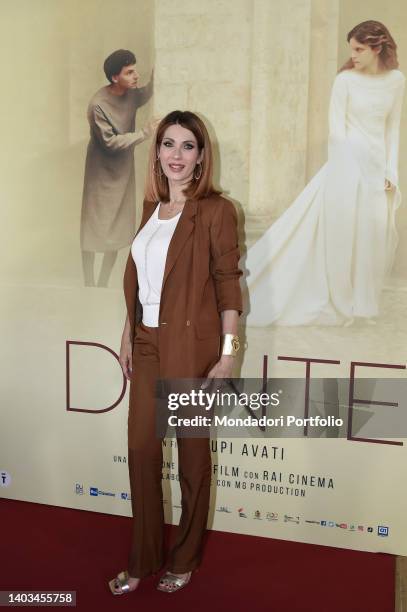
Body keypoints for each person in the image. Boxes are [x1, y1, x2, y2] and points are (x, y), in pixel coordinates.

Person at [108, 111, 243, 594]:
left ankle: (185, 557)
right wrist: (128, 332)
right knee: (142, 451)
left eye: (188, 146)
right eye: (169, 144)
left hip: (192, 349)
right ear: (157, 152)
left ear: (202, 156)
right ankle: (143, 560)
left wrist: (227, 354)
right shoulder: (150, 210)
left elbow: (228, 285)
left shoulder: (216, 211)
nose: (177, 156)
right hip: (146, 344)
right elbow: (142, 283)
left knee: (190, 460)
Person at [244, 21, 405, 326]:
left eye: (359, 49)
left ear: (377, 48)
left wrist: (390, 173)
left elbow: (393, 129)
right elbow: (336, 131)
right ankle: (343, 305)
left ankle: (364, 307)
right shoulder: (344, 80)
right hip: (345, 168)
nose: (353, 55)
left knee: (371, 238)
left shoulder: (397, 81)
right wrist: (349, 171)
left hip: (377, 173)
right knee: (343, 237)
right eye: (351, 49)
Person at [80, 49, 158, 288]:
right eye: (130, 72)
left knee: (116, 227)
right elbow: (109, 142)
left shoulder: (132, 94)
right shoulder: (98, 104)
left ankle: (101, 284)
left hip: (122, 170)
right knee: (93, 228)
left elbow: (146, 93)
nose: (136, 76)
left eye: (135, 70)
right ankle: (89, 284)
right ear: (115, 77)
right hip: (100, 172)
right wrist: (144, 134)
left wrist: (160, 71)